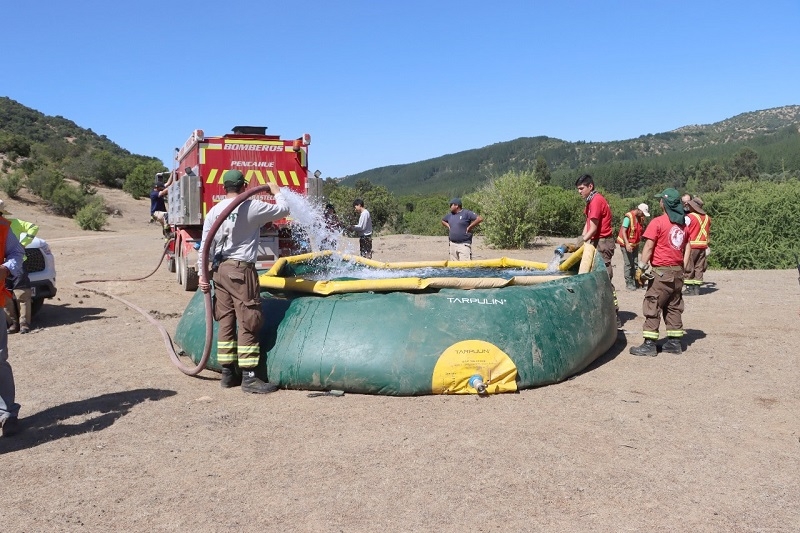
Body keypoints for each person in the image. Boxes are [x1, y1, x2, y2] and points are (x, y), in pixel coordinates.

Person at [197, 170, 290, 394]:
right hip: (240, 270)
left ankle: (228, 373)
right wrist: (276, 191)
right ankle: (249, 377)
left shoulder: (214, 211)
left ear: (223, 187)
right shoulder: (252, 207)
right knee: (249, 319)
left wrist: (203, 275)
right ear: (245, 185)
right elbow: (284, 210)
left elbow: (204, 244)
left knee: (226, 319)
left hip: (219, 270)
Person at [629, 188, 688, 357]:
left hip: (662, 273)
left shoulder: (658, 222)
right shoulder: (683, 224)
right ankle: (674, 343)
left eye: (661, 199)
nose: (659, 202)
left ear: (664, 203)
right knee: (674, 307)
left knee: (652, 304)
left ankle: (649, 345)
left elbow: (648, 247)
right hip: (678, 272)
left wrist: (641, 267)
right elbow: (686, 247)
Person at [575, 174, 620, 327]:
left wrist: (581, 242)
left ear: (590, 186)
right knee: (592, 276)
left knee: (604, 277)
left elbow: (593, 229)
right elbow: (588, 224)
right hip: (597, 241)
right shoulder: (590, 201)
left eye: (581, 188)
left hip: (603, 242)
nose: (579, 192)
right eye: (578, 189)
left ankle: (614, 315)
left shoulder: (596, 201)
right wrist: (581, 239)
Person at [0, 213, 26, 437]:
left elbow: (17, 253)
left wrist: (6, 268)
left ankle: (7, 413)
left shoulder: (2, 226)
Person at [0, 202, 38, 334]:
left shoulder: (9, 224)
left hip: (17, 263)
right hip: (6, 266)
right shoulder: (8, 224)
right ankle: (13, 324)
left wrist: (22, 245)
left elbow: (33, 227)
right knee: (6, 295)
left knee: (21, 294)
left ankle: (23, 324)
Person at [616, 203, 650, 290]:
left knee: (635, 263)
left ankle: (636, 281)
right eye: (642, 213)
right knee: (628, 264)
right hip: (625, 244)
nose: (643, 215)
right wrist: (627, 244)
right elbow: (624, 231)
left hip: (635, 244)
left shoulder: (640, 218)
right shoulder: (628, 217)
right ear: (638, 210)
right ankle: (629, 283)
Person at [683, 196, 711, 296]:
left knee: (689, 266)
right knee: (699, 267)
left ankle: (689, 289)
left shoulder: (689, 217)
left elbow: (684, 230)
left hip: (692, 245)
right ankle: (697, 289)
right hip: (703, 245)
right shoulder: (707, 218)